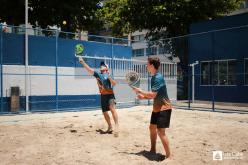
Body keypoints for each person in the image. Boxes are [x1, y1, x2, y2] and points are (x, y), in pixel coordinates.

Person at [132, 56, 172, 160]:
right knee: (152, 128)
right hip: (157, 108)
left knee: (160, 132)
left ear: (152, 65)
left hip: (164, 107)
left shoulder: (157, 78)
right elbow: (155, 95)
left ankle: (169, 156)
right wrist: (143, 97)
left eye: (147, 63)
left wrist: (140, 91)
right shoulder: (154, 77)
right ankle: (153, 149)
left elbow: (153, 95)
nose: (146, 65)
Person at [78, 57, 119, 136]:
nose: (101, 66)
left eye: (103, 65)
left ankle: (117, 125)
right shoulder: (98, 74)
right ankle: (110, 126)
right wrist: (82, 62)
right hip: (103, 95)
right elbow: (89, 69)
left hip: (110, 95)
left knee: (112, 109)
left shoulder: (109, 74)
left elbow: (114, 84)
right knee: (104, 112)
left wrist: (109, 77)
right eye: (101, 65)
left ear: (106, 67)